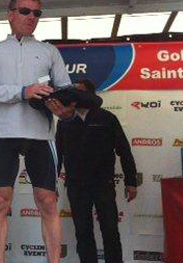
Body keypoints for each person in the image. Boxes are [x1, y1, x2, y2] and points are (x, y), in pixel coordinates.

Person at [0, 0, 71, 263]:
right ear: (10, 14)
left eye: (37, 13)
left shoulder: (50, 50)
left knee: (48, 201)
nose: (31, 17)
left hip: (41, 135)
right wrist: (22, 91)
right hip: (3, 134)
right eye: (25, 11)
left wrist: (65, 109)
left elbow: (65, 90)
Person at [53, 79, 138, 263]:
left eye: (80, 93)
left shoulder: (107, 118)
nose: (75, 97)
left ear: (91, 95)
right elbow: (57, 154)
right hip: (76, 186)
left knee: (110, 231)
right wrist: (51, 185)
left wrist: (131, 181)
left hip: (103, 185)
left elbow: (124, 150)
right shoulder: (64, 121)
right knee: (83, 233)